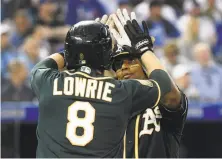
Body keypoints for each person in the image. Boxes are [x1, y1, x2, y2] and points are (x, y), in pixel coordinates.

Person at [30, 19, 173, 157]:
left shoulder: (48, 82)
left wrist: (77, 48)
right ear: (105, 55)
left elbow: (43, 66)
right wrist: (144, 49)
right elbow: (164, 82)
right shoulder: (120, 91)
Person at [109, 10, 188, 158]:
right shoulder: (110, 101)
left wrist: (144, 50)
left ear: (145, 66)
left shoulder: (162, 99)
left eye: (131, 60)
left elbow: (171, 96)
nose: (124, 67)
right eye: (118, 64)